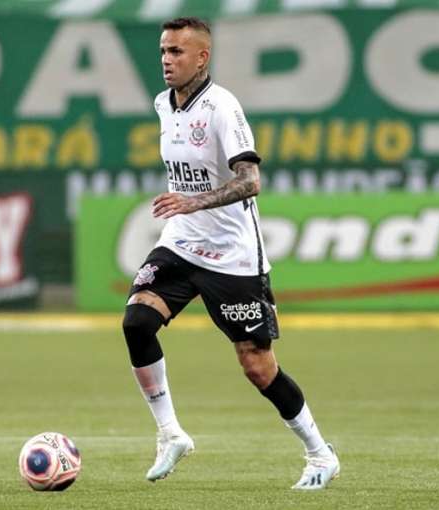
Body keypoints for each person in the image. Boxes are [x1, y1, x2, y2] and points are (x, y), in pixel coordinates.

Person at [121, 16, 340, 490]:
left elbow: (250, 181)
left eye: (177, 51)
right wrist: (186, 210)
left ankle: (319, 453)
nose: (166, 59)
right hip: (180, 242)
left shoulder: (222, 107)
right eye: (163, 50)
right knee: (137, 321)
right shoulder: (164, 104)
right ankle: (170, 433)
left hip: (233, 255)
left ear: (202, 57)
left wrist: (192, 200)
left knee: (257, 365)